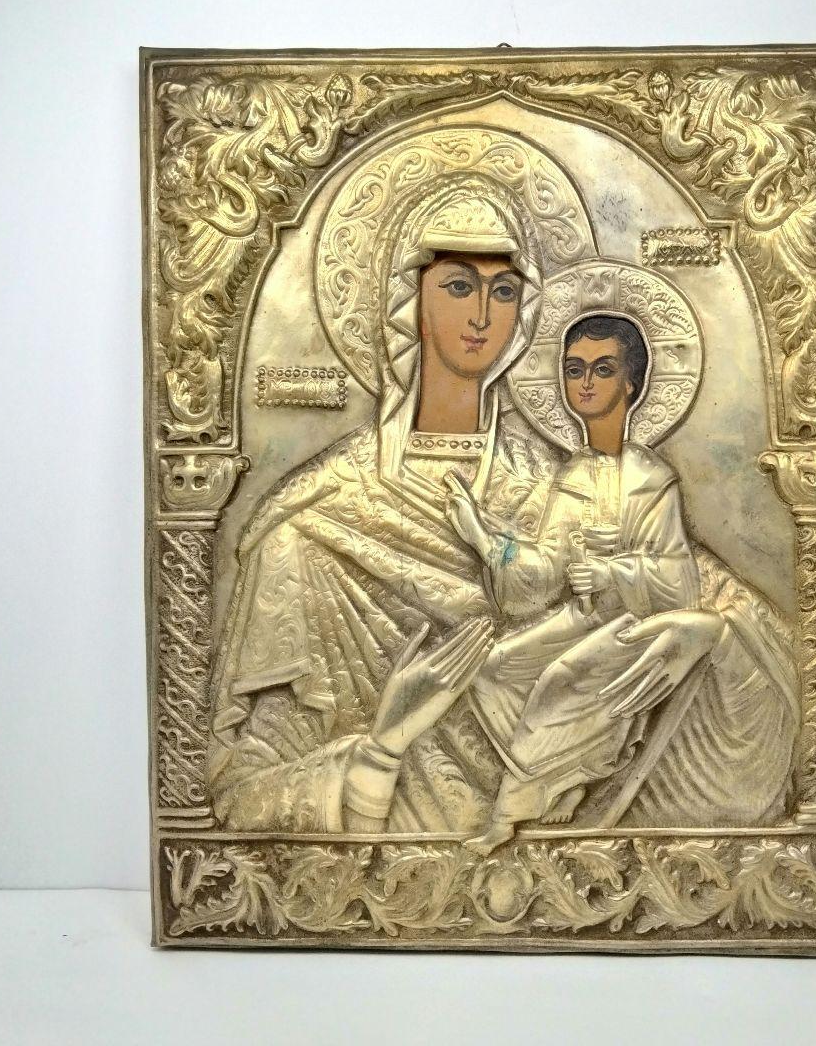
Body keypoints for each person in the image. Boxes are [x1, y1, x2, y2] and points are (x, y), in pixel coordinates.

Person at [208, 174, 582, 833]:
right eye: (458, 286)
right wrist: (381, 750)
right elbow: (243, 799)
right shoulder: (310, 525)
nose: (482, 316)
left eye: (503, 291)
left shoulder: (555, 484)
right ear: (409, 298)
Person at [446, 315, 722, 854]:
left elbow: (680, 582)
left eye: (602, 369)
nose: (586, 383)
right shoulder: (571, 475)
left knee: (559, 677)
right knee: (494, 670)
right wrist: (481, 537)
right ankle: (560, 778)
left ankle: (508, 814)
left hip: (638, 625)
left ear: (631, 383)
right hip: (585, 618)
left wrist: (614, 571)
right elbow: (544, 574)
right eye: (574, 370)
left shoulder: (652, 479)